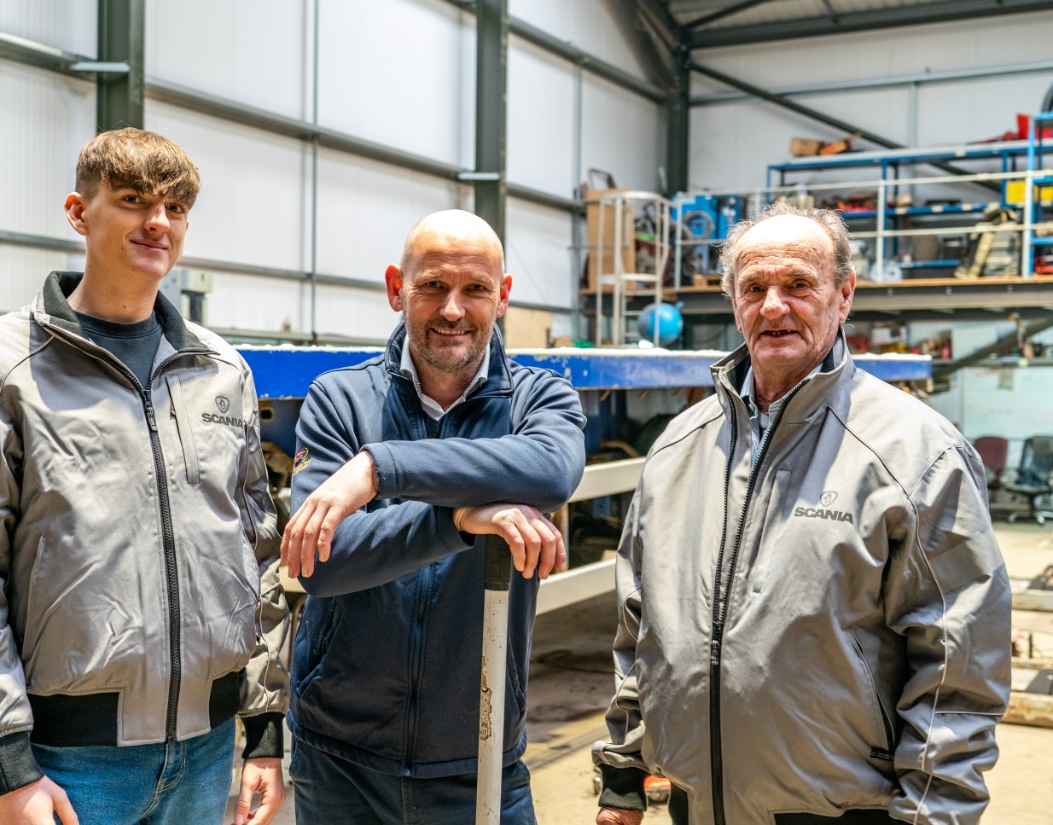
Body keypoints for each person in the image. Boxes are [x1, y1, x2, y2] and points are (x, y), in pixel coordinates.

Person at [0, 128, 287, 825]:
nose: (158, 222)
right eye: (134, 200)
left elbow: (257, 552)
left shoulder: (220, 370)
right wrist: (7, 767)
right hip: (71, 765)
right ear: (79, 213)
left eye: (176, 208)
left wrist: (264, 732)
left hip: (206, 755)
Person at [592, 203, 1011, 825]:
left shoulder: (915, 454)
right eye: (754, 287)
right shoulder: (678, 448)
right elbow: (640, 629)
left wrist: (932, 814)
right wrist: (624, 777)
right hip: (695, 807)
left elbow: (957, 665)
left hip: (837, 811)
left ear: (843, 297)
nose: (772, 307)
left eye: (798, 286)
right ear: (733, 299)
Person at [279, 209, 587, 823]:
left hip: (478, 753)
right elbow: (321, 560)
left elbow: (553, 469)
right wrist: (457, 520)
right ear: (398, 289)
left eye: (475, 289)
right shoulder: (340, 399)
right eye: (432, 287)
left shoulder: (540, 399)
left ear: (501, 297)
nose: (453, 310)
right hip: (341, 760)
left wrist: (380, 467)